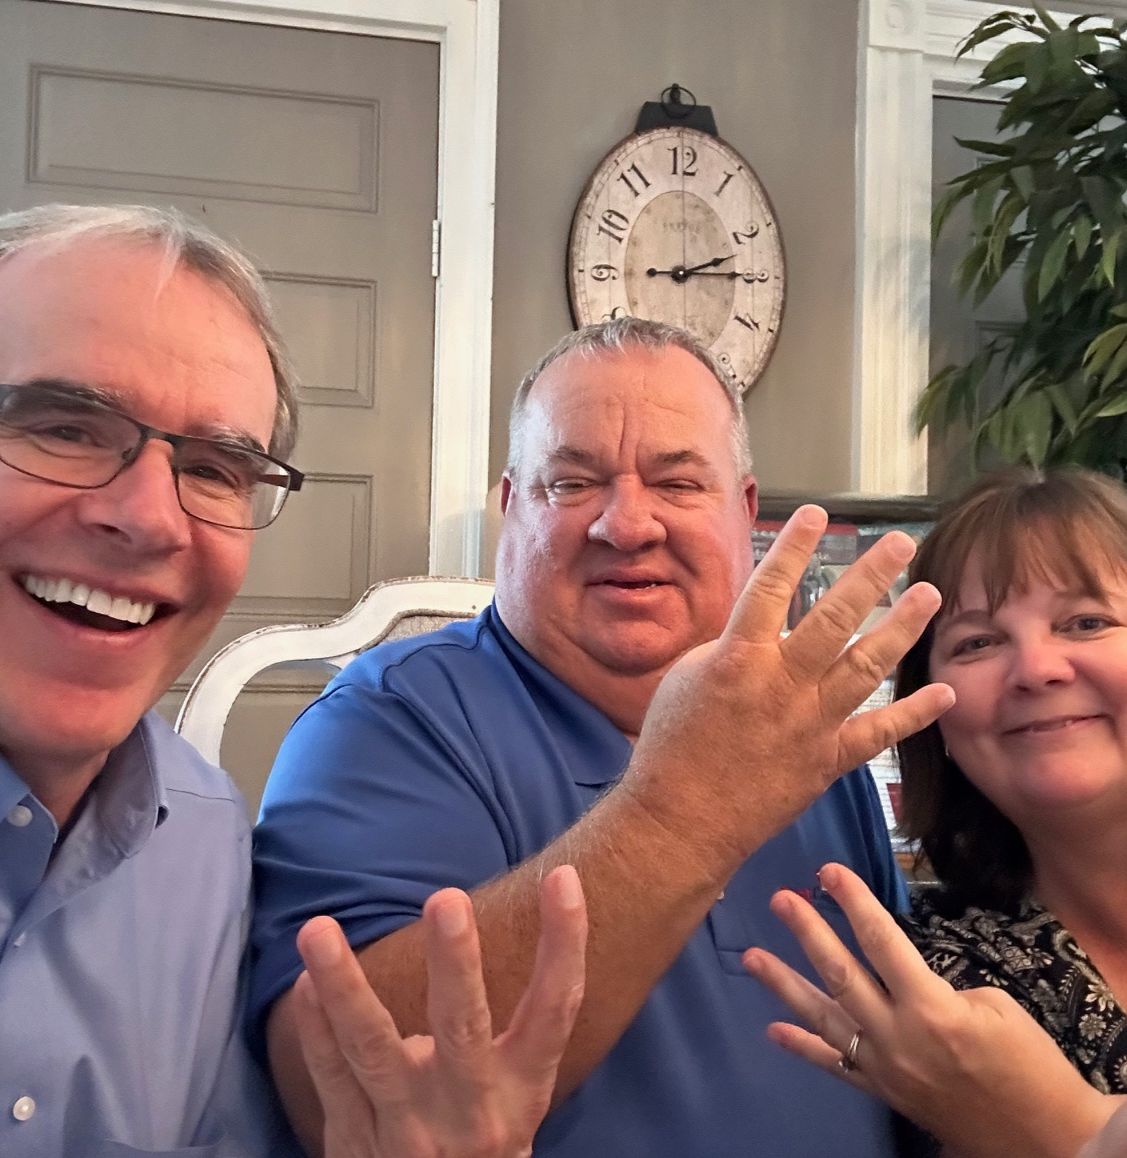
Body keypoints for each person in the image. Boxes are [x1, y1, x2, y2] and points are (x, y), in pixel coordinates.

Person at [251, 316, 953, 1156]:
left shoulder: (801, 736)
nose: (627, 524)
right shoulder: (391, 720)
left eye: (678, 484)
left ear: (745, 511)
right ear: (511, 507)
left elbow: (896, 1044)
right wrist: (685, 816)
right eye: (571, 482)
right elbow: (340, 1091)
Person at [0, 202, 588, 1158]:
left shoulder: (200, 843)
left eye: (216, 469)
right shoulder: (396, 718)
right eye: (66, 429)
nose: (151, 519)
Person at [745, 468, 1127, 1154]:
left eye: (1087, 622)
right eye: (976, 643)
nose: (1036, 667)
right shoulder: (931, 1000)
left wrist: (1072, 1134)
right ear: (929, 718)